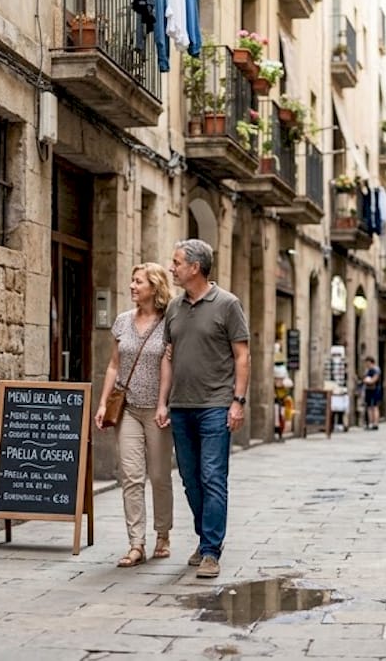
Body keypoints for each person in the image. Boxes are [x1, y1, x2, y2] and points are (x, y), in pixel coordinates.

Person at [163, 239, 250, 579]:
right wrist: (163, 402)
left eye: (177, 262)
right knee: (189, 479)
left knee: (213, 477)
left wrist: (237, 402)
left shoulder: (228, 304)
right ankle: (205, 538)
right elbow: (168, 357)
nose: (172, 268)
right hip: (181, 406)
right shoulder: (174, 307)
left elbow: (242, 355)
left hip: (215, 405)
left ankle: (211, 550)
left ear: (195, 268)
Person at [94, 263, 174, 568]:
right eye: (131, 281)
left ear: (154, 288)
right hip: (126, 408)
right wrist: (103, 403)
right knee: (131, 477)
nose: (131, 286)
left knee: (159, 476)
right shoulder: (122, 321)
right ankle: (136, 543)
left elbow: (171, 364)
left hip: (156, 410)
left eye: (138, 282)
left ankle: (163, 534)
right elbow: (114, 364)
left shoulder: (169, 323)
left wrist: (164, 402)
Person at [362, 356, 382, 430]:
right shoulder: (367, 370)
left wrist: (368, 381)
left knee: (375, 407)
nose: (367, 365)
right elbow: (364, 378)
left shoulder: (376, 370)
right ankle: (370, 423)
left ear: (371, 362)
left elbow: (374, 379)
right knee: (369, 407)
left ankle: (375, 423)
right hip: (368, 390)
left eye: (368, 363)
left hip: (375, 390)